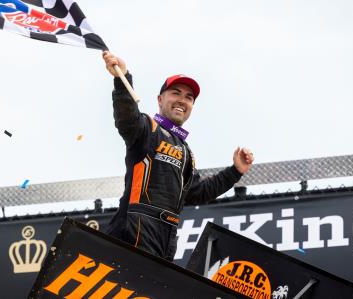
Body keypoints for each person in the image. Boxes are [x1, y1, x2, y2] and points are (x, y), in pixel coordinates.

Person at [102, 51, 254, 261]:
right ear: (160, 99)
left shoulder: (186, 151)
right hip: (134, 228)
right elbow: (126, 116)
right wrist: (122, 78)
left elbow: (197, 192)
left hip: (167, 236)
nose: (182, 100)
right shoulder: (146, 127)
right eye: (175, 93)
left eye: (189, 97)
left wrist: (235, 171)